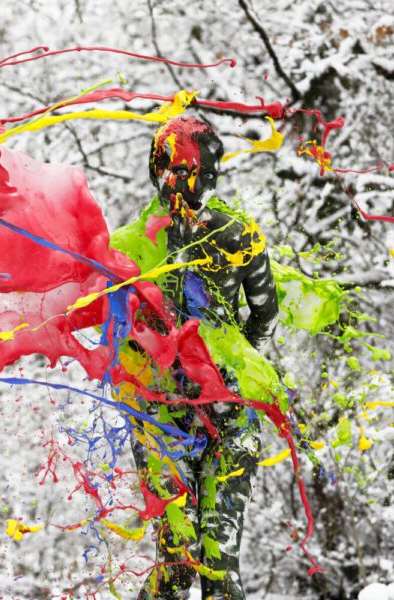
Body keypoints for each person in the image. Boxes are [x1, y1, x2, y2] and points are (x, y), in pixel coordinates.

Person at [128, 116, 279, 599]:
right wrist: (225, 359)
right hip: (188, 412)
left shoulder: (136, 242)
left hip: (188, 414)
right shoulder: (233, 233)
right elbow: (265, 316)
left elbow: (265, 313)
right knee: (202, 568)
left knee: (194, 568)